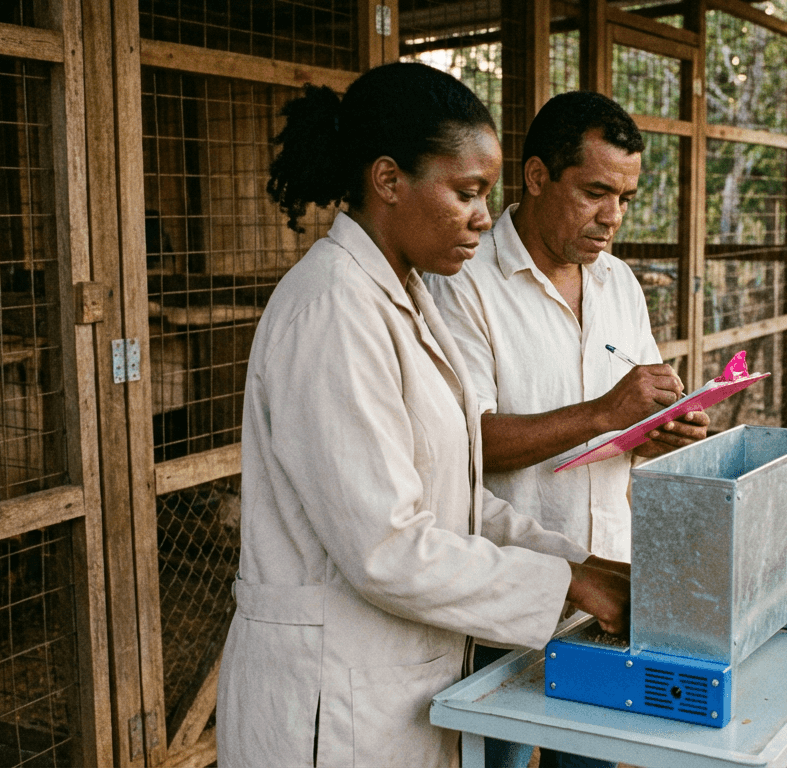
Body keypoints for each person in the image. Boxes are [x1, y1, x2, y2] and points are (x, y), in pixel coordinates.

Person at [214, 63, 629, 768]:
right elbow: (387, 548)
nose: (480, 217)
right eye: (466, 192)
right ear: (388, 180)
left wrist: (581, 563)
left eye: (485, 196)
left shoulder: (404, 299)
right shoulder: (334, 311)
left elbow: (455, 501)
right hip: (331, 704)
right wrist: (565, 583)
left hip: (392, 685)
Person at [426, 91, 709, 768]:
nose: (612, 217)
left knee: (588, 759)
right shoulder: (465, 282)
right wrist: (605, 413)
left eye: (626, 198)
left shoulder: (619, 284)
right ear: (535, 177)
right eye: (594, 192)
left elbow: (628, 416)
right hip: (507, 580)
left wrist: (661, 427)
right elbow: (462, 447)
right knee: (496, 757)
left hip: (606, 579)